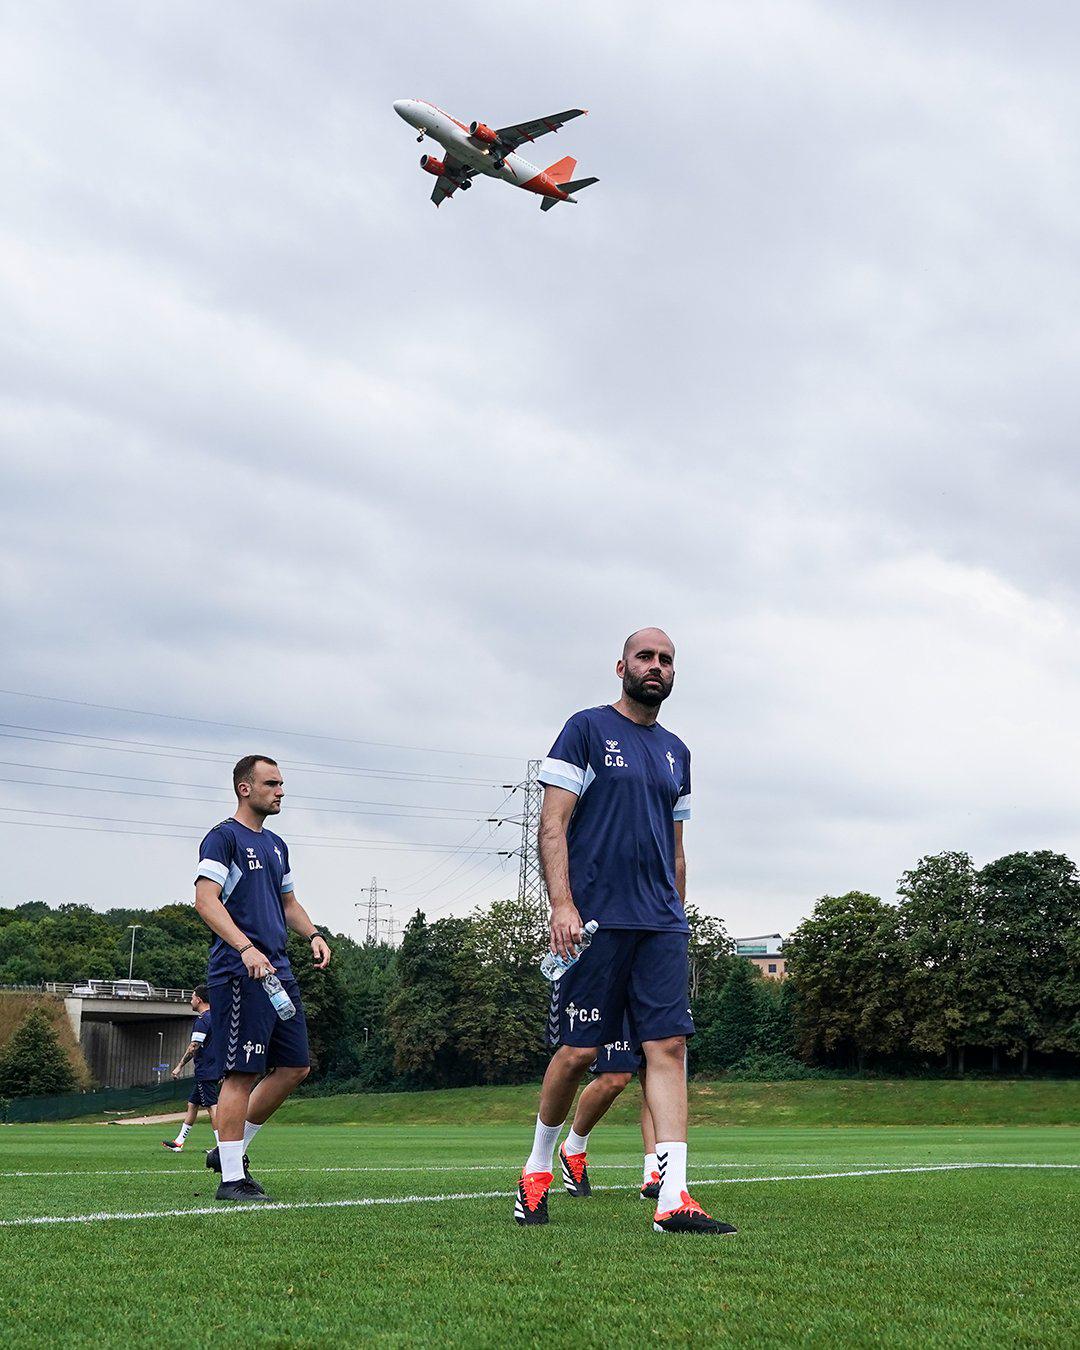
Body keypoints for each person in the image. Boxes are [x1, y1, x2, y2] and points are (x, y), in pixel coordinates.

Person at [514, 629, 736, 1236]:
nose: (656, 667)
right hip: (594, 921)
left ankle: (674, 1198)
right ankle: (536, 1169)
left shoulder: (678, 753)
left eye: (667, 660)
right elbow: (552, 825)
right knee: (580, 1052)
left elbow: (678, 849)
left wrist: (679, 916)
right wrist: (560, 903)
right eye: (646, 657)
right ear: (621, 666)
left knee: (669, 1049)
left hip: (660, 923)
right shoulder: (585, 729)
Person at [194, 755, 331, 1204]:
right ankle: (232, 1180)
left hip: (279, 972)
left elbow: (289, 904)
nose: (280, 791)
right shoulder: (223, 838)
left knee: (295, 1066)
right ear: (244, 788)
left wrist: (312, 934)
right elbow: (205, 901)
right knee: (241, 1072)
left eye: (282, 784)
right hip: (240, 971)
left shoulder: (276, 845)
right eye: (272, 783)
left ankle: (228, 1150)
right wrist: (245, 947)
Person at [551, 1009, 661, 1201]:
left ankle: (653, 1173)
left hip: (653, 985)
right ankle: (573, 1148)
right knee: (615, 1078)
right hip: (615, 991)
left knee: (656, 1072)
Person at [161, 985, 219, 1152]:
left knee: (211, 1107)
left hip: (205, 1070)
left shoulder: (202, 1020)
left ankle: (222, 1147)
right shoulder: (217, 1018)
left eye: (192, 997)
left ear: (199, 999)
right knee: (192, 1104)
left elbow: (194, 1046)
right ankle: (179, 1141)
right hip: (213, 1068)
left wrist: (179, 1066)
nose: (190, 1000)